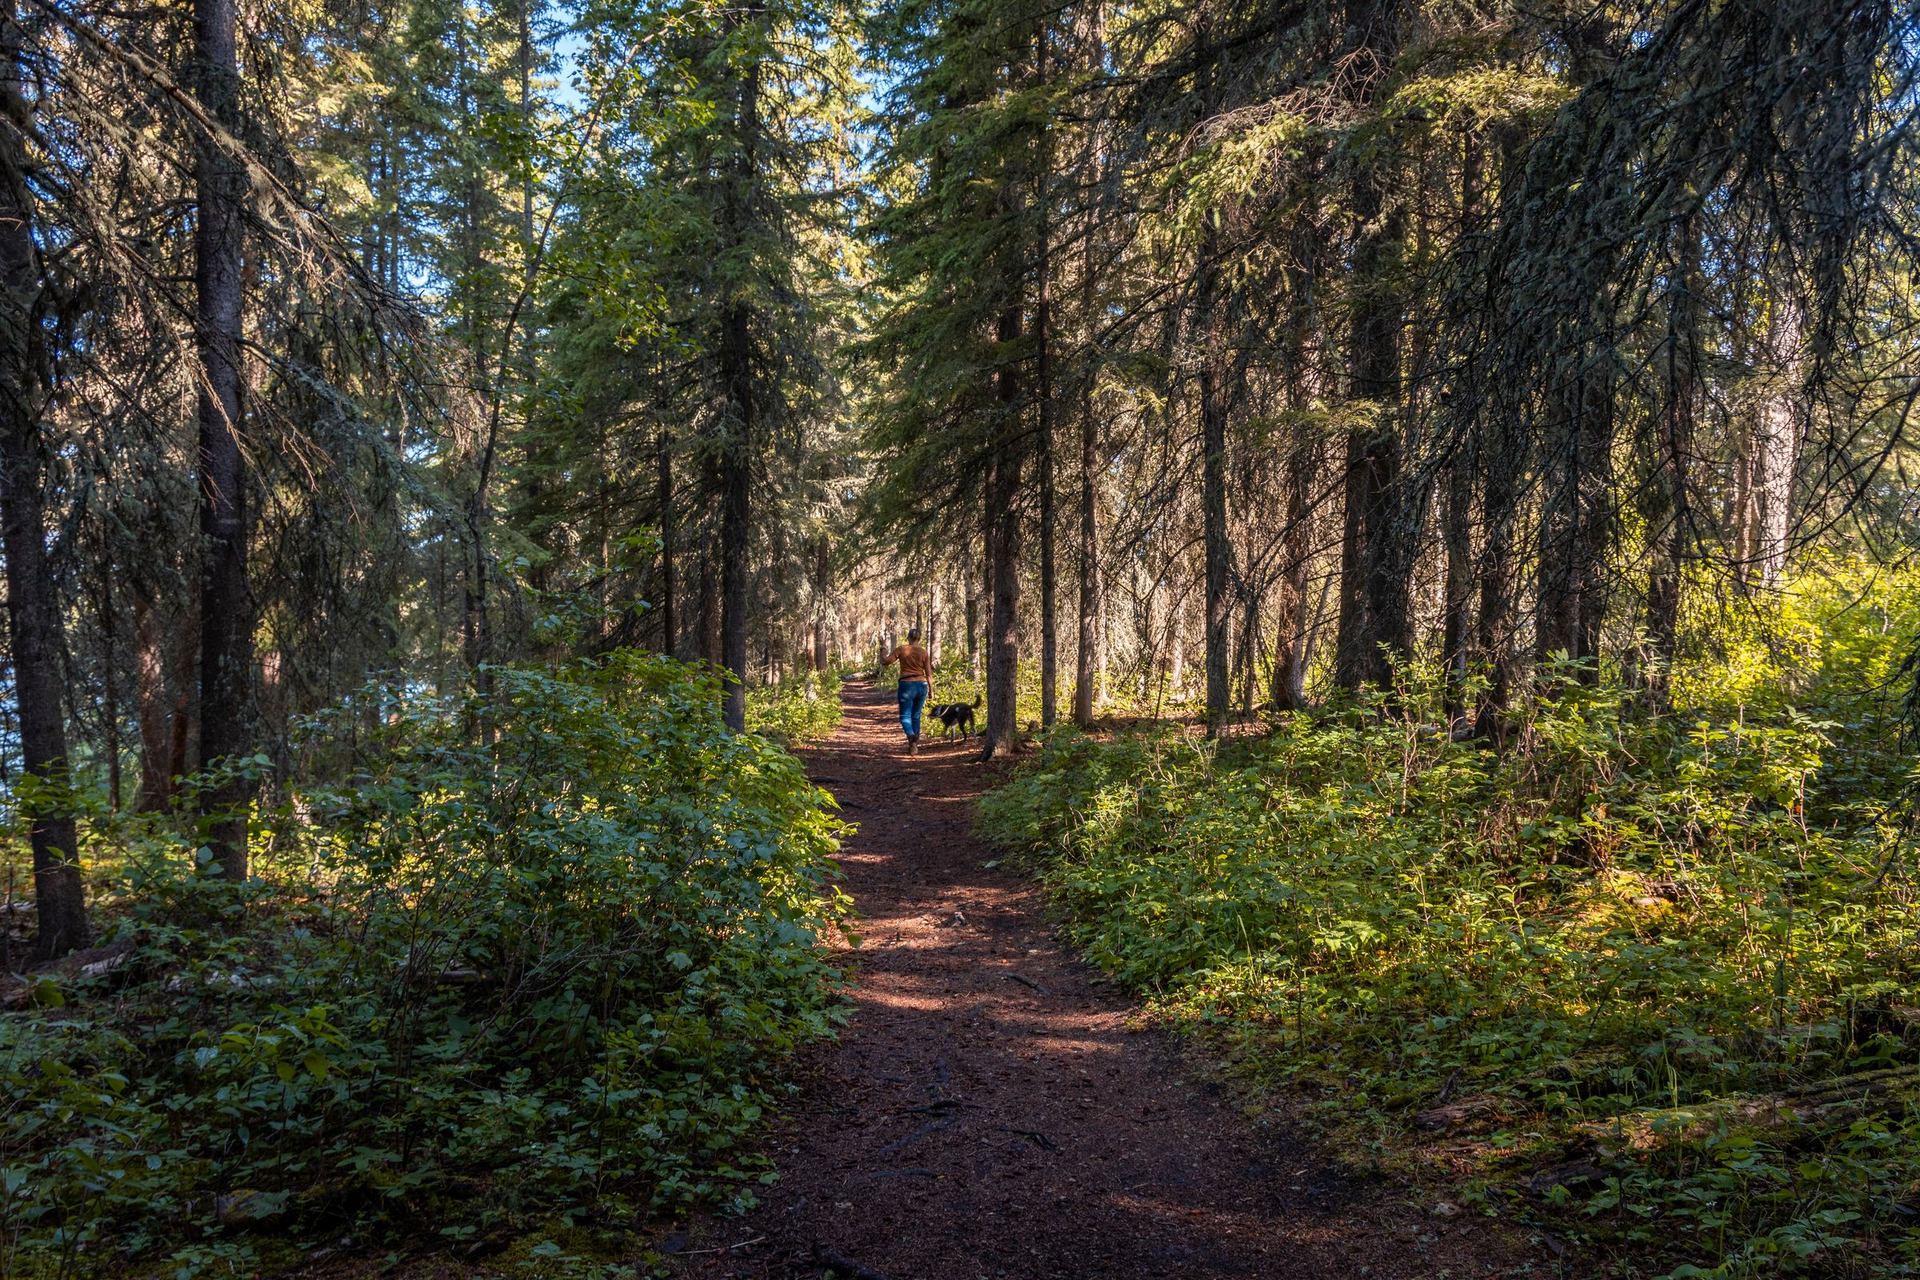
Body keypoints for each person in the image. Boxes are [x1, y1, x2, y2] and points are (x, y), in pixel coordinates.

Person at [881, 628, 932, 753]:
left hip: (907, 685)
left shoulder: (902, 649)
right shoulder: (924, 652)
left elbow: (885, 661)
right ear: (919, 639)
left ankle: (910, 735)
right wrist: (931, 691)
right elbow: (929, 674)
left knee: (905, 716)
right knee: (916, 716)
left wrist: (882, 649)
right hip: (922, 685)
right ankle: (914, 744)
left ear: (908, 638)